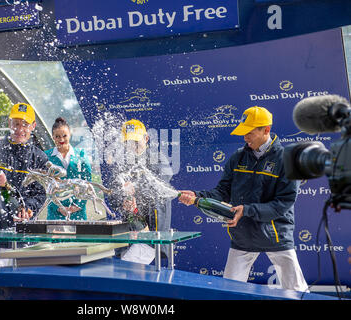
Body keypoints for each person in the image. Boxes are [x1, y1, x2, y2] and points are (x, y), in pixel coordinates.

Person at [179, 106, 309, 292]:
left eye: (249, 133)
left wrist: (246, 210)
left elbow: (283, 204)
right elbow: (222, 191)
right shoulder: (237, 157)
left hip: (276, 236)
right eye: (243, 133)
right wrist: (197, 196)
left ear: (266, 130)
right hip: (242, 236)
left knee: (297, 292)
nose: (245, 137)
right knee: (229, 292)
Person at [0, 102, 48, 268]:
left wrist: (28, 209)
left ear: (33, 126)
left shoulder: (39, 158)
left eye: (25, 124)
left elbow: (41, 194)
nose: (20, 129)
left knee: (25, 290)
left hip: (26, 238)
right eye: (16, 124)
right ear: (9, 124)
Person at [104, 119, 173, 264]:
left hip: (151, 232)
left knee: (130, 271)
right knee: (127, 274)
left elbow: (159, 187)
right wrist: (123, 200)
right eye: (129, 142)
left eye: (136, 141)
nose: (133, 146)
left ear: (146, 138)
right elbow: (111, 194)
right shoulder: (121, 163)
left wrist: (135, 190)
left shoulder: (159, 159)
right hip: (128, 232)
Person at [44, 117, 92, 220]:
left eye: (64, 136)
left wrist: (77, 206)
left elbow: (87, 183)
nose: (61, 140)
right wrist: (58, 207)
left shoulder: (81, 155)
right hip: (55, 213)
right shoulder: (46, 156)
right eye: (57, 136)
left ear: (70, 134)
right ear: (53, 137)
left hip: (78, 213)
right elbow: (45, 185)